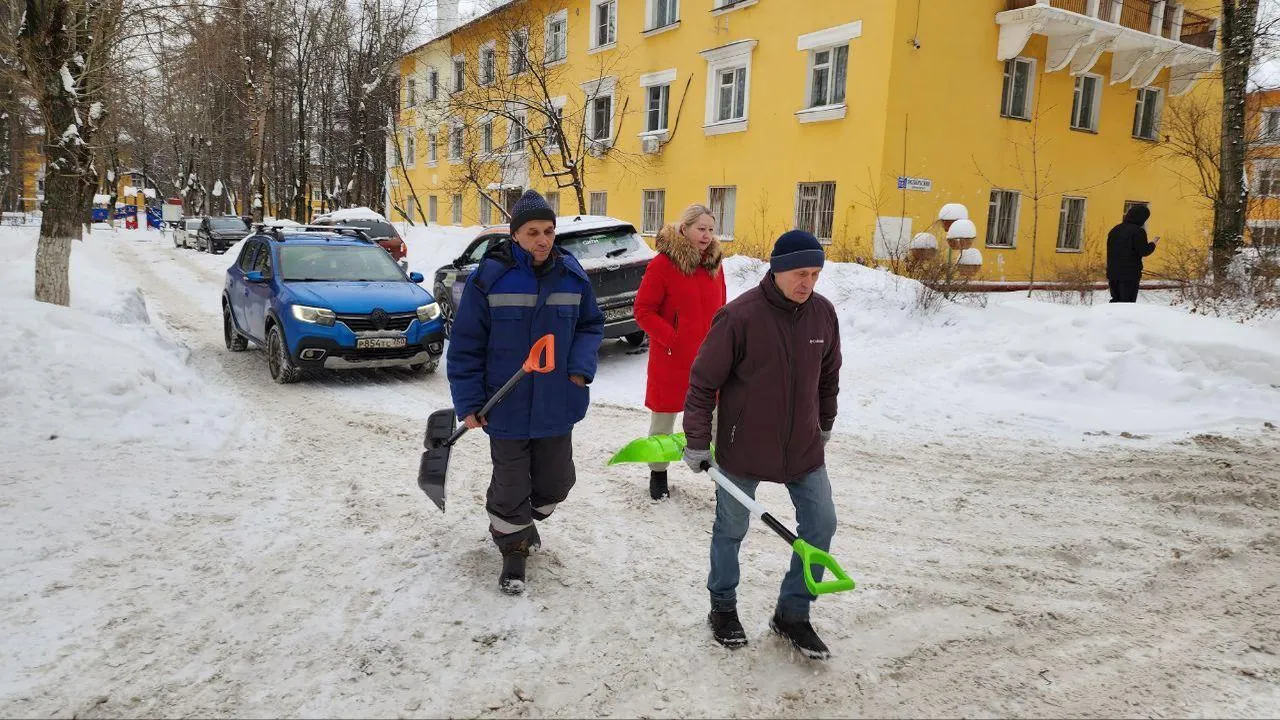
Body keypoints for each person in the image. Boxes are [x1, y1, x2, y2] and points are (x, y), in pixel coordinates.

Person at [682, 229, 842, 660]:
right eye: (798, 273)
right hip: (743, 449)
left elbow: (828, 377)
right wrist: (697, 441)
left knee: (822, 525)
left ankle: (792, 613)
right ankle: (723, 607)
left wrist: (824, 422)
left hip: (804, 448)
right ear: (776, 269)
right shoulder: (740, 317)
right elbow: (702, 383)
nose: (806, 283)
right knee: (730, 530)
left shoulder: (822, 315)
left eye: (814, 273)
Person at [447, 189, 605, 595]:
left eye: (548, 231)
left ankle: (516, 517)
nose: (542, 240)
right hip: (506, 404)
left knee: (557, 484)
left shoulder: (572, 273)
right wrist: (468, 403)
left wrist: (579, 371)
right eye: (532, 231)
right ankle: (513, 550)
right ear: (515, 235)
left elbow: (590, 325)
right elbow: (466, 344)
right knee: (512, 483)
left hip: (558, 401)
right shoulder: (491, 276)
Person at [633, 203, 727, 500]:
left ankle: (722, 481)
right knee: (664, 420)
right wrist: (672, 338)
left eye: (711, 230)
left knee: (716, 420)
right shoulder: (662, 264)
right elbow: (643, 311)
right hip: (672, 359)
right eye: (701, 229)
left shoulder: (714, 265)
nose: (707, 236)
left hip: (710, 359)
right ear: (684, 229)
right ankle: (658, 473)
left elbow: (723, 308)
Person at [1106, 204, 1158, 303]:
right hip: (1130, 275)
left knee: (1116, 302)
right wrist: (1153, 244)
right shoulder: (1138, 232)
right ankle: (1123, 319)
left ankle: (1112, 318)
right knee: (1127, 304)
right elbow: (1143, 251)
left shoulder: (1115, 230)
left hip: (1113, 273)